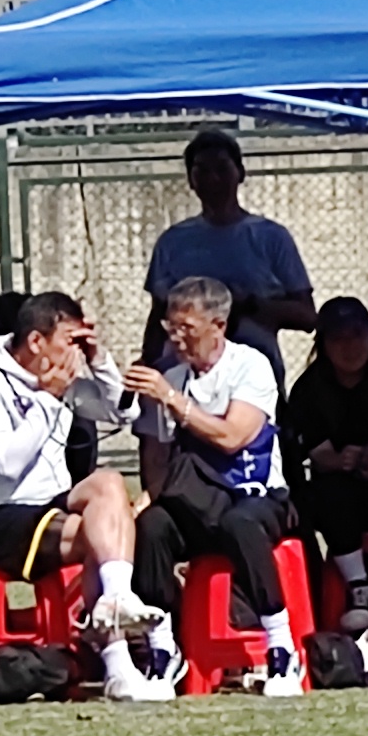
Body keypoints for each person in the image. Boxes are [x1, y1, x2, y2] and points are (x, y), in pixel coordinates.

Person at [0, 292, 166, 702]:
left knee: (109, 484)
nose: (74, 353)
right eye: (69, 340)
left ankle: (116, 598)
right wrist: (47, 399)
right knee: (101, 536)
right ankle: (119, 664)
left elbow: (122, 412)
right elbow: (7, 462)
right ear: (35, 342)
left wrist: (100, 360)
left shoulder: (62, 381)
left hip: (49, 501)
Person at [119, 278, 306, 692]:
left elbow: (233, 436)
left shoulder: (249, 366)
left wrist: (173, 400)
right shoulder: (171, 375)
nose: (177, 339)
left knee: (240, 525)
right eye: (171, 328)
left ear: (218, 325)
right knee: (152, 527)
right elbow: (156, 454)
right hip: (194, 500)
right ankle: (164, 647)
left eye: (187, 328)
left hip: (253, 495)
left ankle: (281, 648)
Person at [280, 300, 368, 603]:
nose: (350, 346)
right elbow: (315, 451)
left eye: (357, 335)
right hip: (339, 486)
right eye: (338, 339)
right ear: (324, 344)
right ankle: (357, 585)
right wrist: (341, 460)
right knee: (327, 494)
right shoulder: (309, 389)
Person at [143, 128, 316, 350]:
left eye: (222, 169)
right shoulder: (171, 243)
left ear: (241, 173)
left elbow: (308, 316)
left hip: (255, 370)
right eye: (202, 171)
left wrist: (251, 306)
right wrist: (147, 363)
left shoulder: (272, 237)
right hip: (185, 373)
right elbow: (158, 315)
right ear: (190, 180)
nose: (213, 179)